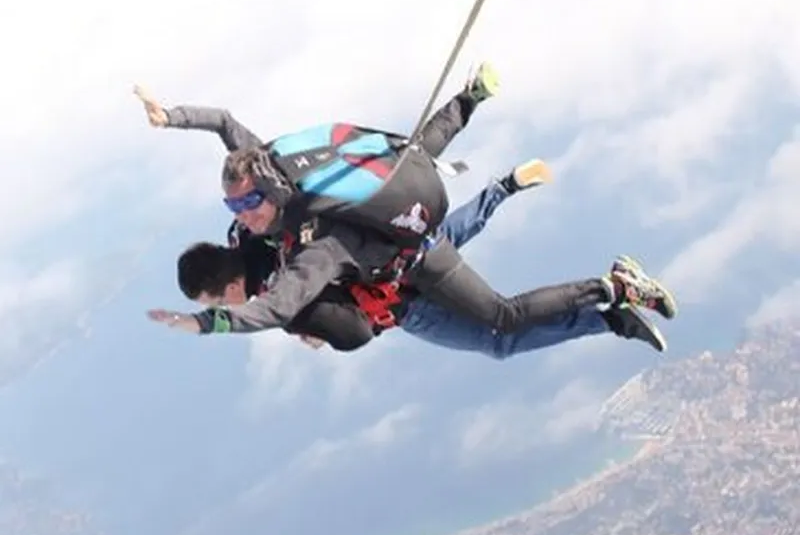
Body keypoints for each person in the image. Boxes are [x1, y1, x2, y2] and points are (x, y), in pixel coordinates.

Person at [137, 64, 677, 339]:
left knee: (503, 319)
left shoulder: (319, 247)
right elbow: (226, 124)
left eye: (247, 205)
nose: (244, 218)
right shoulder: (274, 167)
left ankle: (612, 286)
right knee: (417, 154)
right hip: (401, 204)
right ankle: (470, 99)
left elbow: (277, 307)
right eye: (233, 210)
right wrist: (172, 118)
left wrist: (206, 324)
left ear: (266, 192)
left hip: (414, 258)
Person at [175, 163, 668, 356]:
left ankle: (612, 304)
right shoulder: (251, 230)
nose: (229, 307)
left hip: (403, 301)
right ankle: (503, 187)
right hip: (392, 245)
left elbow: (346, 327)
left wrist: (314, 331)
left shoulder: (278, 294)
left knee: (501, 333)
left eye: (219, 302)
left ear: (228, 288)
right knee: (439, 236)